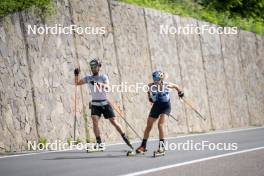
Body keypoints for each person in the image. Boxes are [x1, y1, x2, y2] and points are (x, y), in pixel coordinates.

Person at [74, 58, 132, 150]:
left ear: (99, 67)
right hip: (95, 104)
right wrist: (76, 74)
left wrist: (97, 84)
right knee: (95, 121)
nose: (93, 68)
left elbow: (107, 87)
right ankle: (99, 143)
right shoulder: (88, 78)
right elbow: (77, 83)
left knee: (114, 122)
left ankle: (125, 138)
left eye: (95, 66)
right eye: (91, 67)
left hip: (105, 103)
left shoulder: (103, 77)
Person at [136, 70, 184, 153]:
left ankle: (162, 146)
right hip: (156, 106)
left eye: (158, 80)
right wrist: (150, 97)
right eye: (155, 81)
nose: (156, 82)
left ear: (161, 79)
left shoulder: (167, 85)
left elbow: (176, 86)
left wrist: (180, 93)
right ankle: (143, 146)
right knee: (149, 126)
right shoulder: (151, 86)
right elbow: (148, 88)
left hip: (166, 106)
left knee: (160, 125)